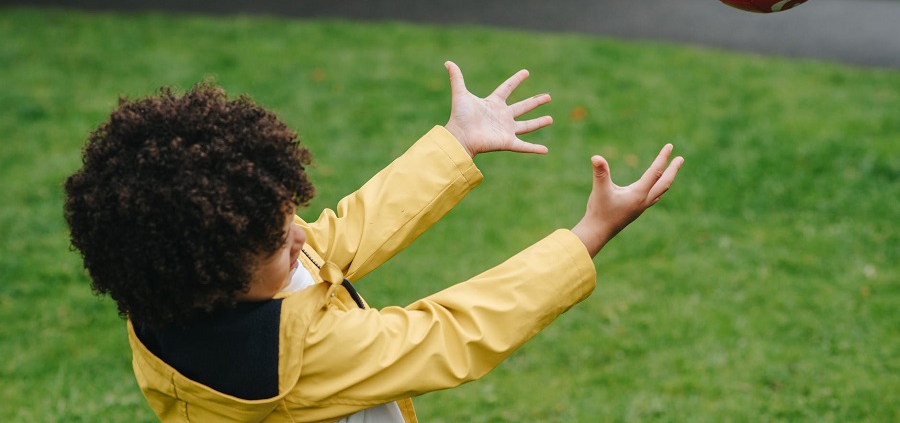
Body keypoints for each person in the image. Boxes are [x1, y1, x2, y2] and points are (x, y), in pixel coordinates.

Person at [64, 61, 683, 423]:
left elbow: (345, 232)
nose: (303, 235)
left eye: (290, 217)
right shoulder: (298, 358)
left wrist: (455, 144)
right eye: (282, 242)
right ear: (217, 275)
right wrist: (589, 235)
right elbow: (447, 332)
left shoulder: (176, 292)